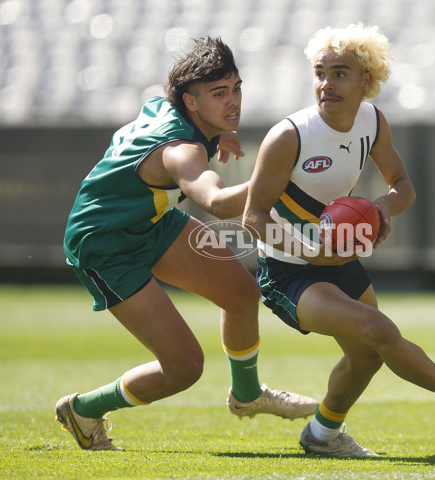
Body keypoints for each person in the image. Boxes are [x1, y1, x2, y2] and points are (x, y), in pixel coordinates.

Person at [242, 23, 435, 458]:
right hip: (286, 270)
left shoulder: (372, 121)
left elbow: (403, 186)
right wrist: (310, 250)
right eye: (320, 72)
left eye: (340, 73)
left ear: (366, 81)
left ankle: (322, 435)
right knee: (379, 330)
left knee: (367, 356)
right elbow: (252, 216)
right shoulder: (289, 135)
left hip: (338, 257)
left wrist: (381, 209)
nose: (326, 83)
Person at [54, 36, 318, 451]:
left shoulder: (171, 107)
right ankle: (83, 409)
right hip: (104, 244)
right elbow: (214, 201)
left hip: (150, 221)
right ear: (190, 102)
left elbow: (171, 123)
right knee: (184, 369)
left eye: (236, 88)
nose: (233, 101)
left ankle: (246, 395)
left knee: (241, 294)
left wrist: (221, 134)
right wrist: (277, 176)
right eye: (219, 93)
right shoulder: (181, 150)